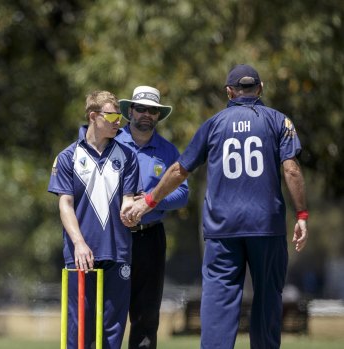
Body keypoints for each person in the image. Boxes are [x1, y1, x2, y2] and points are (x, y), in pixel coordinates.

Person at [124, 64, 308, 349]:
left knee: (219, 305)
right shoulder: (278, 121)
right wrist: (302, 214)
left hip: (223, 229)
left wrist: (149, 201)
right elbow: (292, 170)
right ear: (260, 89)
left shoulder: (213, 124)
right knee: (267, 301)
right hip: (266, 226)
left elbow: (179, 171)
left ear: (229, 91)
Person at [48, 90, 139, 349]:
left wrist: (132, 212)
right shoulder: (68, 157)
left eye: (119, 115)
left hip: (118, 251)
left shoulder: (128, 157)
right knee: (79, 331)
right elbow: (65, 204)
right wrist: (78, 243)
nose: (117, 120)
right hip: (80, 254)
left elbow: (128, 200)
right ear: (93, 116)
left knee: (112, 330)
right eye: (111, 115)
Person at [116, 86, 189, 349]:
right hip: (113, 236)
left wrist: (150, 201)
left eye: (153, 111)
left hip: (151, 236)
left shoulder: (168, 152)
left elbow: (183, 194)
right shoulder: (111, 143)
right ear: (130, 111)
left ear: (158, 116)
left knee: (146, 315)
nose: (147, 114)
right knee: (108, 311)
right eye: (142, 109)